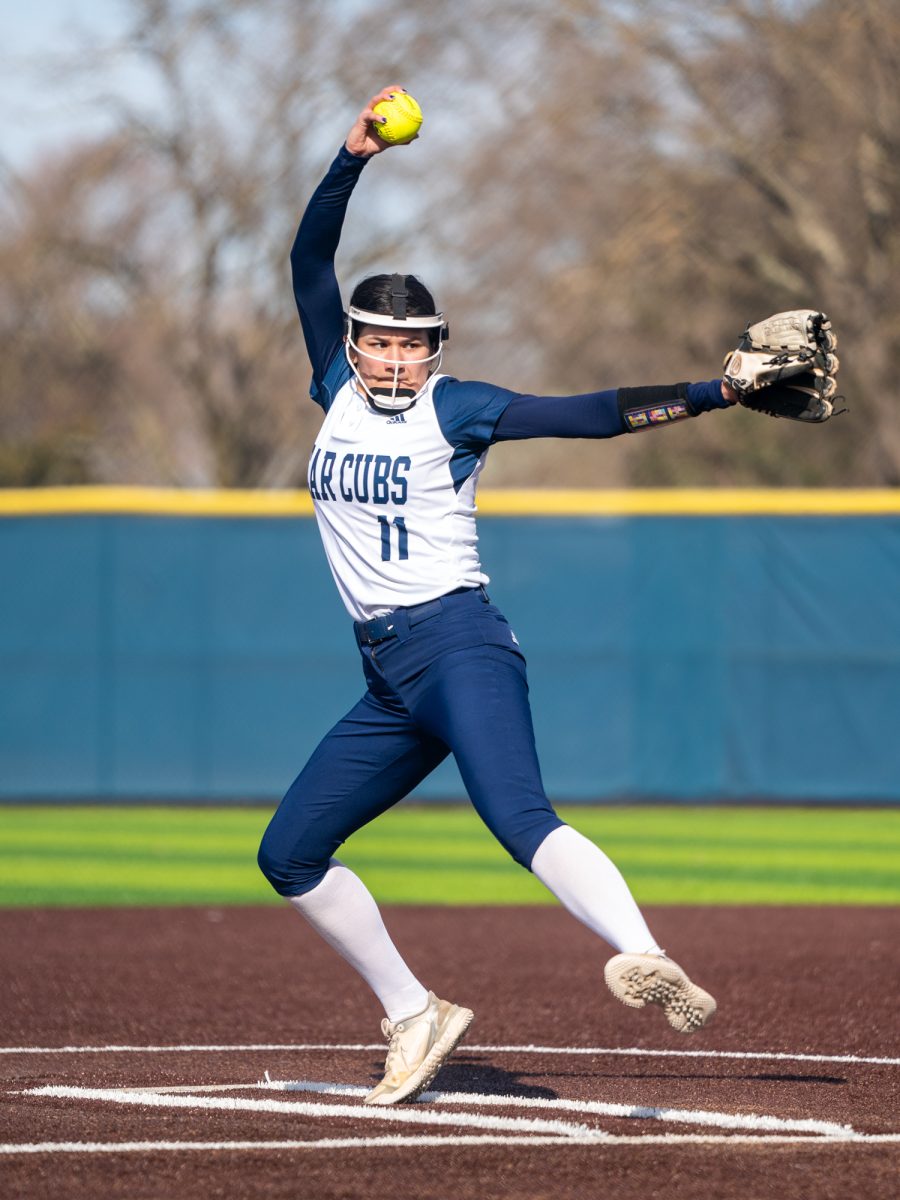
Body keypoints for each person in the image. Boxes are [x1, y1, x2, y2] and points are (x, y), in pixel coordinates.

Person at [258, 85, 734, 1107]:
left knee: (516, 813)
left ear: (437, 348)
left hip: (460, 644)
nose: (394, 355)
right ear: (351, 345)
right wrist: (351, 156)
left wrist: (717, 391)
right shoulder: (334, 390)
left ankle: (644, 955)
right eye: (379, 340)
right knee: (288, 852)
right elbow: (306, 261)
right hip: (388, 676)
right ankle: (413, 1012)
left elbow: (591, 415)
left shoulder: (460, 409)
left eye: (413, 341)